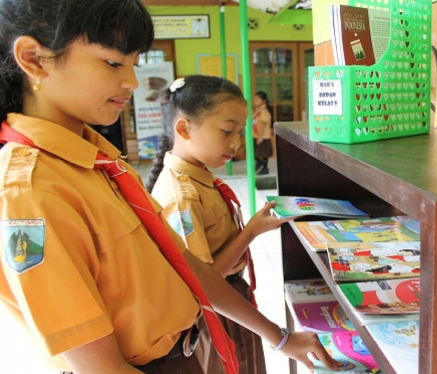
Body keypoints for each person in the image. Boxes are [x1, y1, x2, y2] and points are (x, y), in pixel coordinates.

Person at [0, 1, 342, 373]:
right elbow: (99, 367)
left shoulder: (101, 162)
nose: (131, 81)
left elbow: (183, 264)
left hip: (183, 351)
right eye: (113, 63)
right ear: (34, 59)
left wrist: (279, 336)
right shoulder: (30, 192)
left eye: (134, 63)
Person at [145, 75, 275, 374]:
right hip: (216, 313)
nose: (236, 142)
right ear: (183, 128)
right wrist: (251, 231)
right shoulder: (181, 198)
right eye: (227, 130)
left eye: (241, 132)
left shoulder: (200, 176)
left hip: (232, 303)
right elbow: (205, 281)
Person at [251, 91, 273, 175]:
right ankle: (261, 168)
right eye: (254, 100)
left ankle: (263, 168)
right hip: (256, 135)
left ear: (263, 101)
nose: (255, 102)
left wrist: (260, 137)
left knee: (263, 154)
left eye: (257, 100)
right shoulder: (257, 111)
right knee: (256, 153)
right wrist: (257, 112)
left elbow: (263, 125)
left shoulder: (264, 112)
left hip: (263, 136)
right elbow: (251, 119)